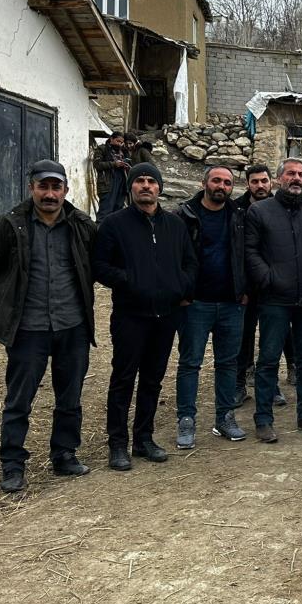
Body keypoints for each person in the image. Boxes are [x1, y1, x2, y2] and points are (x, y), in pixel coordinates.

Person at [0, 160, 97, 493]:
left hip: (72, 326)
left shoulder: (81, 226)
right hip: (28, 329)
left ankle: (64, 454)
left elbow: (99, 265)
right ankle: (13, 465)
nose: (50, 194)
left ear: (66, 190)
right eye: (44, 187)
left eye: (56, 188)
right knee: (19, 401)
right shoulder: (11, 226)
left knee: (69, 397)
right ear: (32, 188)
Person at [94, 163, 197, 470]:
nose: (146, 186)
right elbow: (99, 266)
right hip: (130, 315)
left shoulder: (175, 225)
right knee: (123, 379)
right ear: (131, 187)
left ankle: (144, 438)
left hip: (165, 316)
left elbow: (190, 264)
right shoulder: (114, 224)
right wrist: (130, 281)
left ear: (159, 188)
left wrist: (178, 287)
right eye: (139, 180)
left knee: (152, 380)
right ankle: (117, 444)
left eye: (152, 181)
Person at [245, 157, 302, 443]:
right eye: (291, 174)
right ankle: (263, 419)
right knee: (268, 360)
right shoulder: (259, 211)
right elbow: (251, 251)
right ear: (279, 178)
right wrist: (268, 279)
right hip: (274, 300)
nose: (296, 178)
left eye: (301, 174)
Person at [173, 165, 248, 449]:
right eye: (216, 180)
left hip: (231, 303)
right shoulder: (184, 215)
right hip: (195, 303)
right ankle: (186, 420)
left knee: (228, 363)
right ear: (204, 182)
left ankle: (224, 417)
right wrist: (182, 292)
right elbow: (175, 256)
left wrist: (245, 291)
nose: (221, 186)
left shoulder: (239, 216)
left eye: (227, 182)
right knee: (190, 362)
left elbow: (248, 254)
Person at [234, 164, 273, 406]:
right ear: (248, 183)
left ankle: (271, 383)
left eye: (264, 181)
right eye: (255, 181)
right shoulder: (237, 208)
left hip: (272, 283)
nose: (260, 186)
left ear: (272, 183)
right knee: (243, 336)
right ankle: (239, 383)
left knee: (273, 337)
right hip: (246, 286)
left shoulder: (279, 207)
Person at [92, 130, 130, 217]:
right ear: (111, 139)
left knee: (118, 211)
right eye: (118, 141)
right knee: (105, 210)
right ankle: (100, 230)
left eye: (121, 142)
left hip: (121, 184)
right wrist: (114, 164)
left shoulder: (122, 152)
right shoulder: (102, 149)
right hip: (108, 184)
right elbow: (97, 164)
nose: (119, 144)